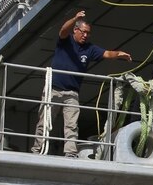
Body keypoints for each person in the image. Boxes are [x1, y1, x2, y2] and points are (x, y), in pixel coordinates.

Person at [37, 10, 132, 157]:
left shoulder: (89, 49)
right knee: (45, 122)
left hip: (72, 93)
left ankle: (70, 154)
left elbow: (106, 53)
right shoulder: (65, 41)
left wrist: (119, 54)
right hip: (53, 89)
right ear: (76, 30)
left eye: (88, 33)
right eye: (83, 32)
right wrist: (75, 18)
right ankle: (37, 150)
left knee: (71, 125)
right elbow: (63, 30)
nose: (85, 35)